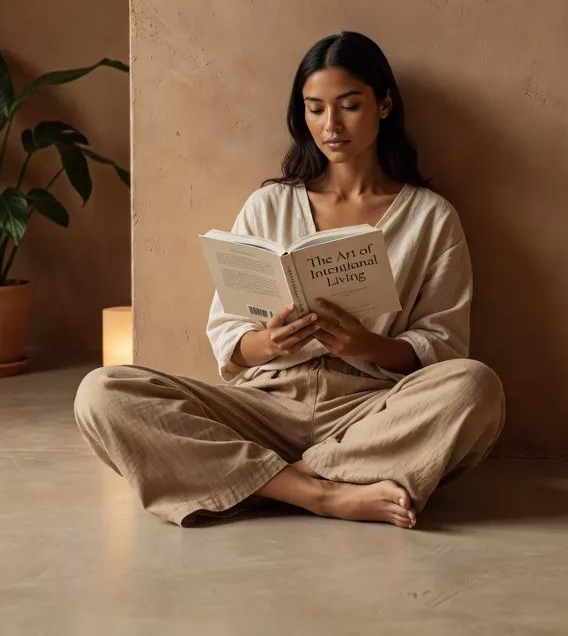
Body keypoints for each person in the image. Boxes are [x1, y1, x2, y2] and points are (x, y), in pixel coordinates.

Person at [75, 31, 505, 529]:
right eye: (315, 108)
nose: (331, 125)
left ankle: (257, 482)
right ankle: (322, 493)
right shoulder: (268, 206)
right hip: (264, 404)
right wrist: (270, 342)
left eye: (349, 106)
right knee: (101, 393)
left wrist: (367, 344)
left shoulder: (432, 218)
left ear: (384, 105)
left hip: (370, 413)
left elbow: (445, 347)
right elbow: (229, 338)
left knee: (477, 387)